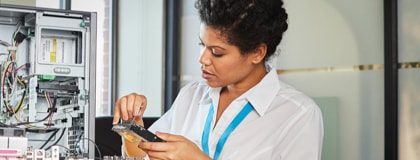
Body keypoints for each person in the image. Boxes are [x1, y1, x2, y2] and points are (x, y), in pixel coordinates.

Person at [112, 0, 324, 159]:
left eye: (217, 52)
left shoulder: (298, 114)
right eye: (201, 45)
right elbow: (142, 156)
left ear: (257, 53)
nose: (202, 59)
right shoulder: (192, 94)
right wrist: (132, 129)